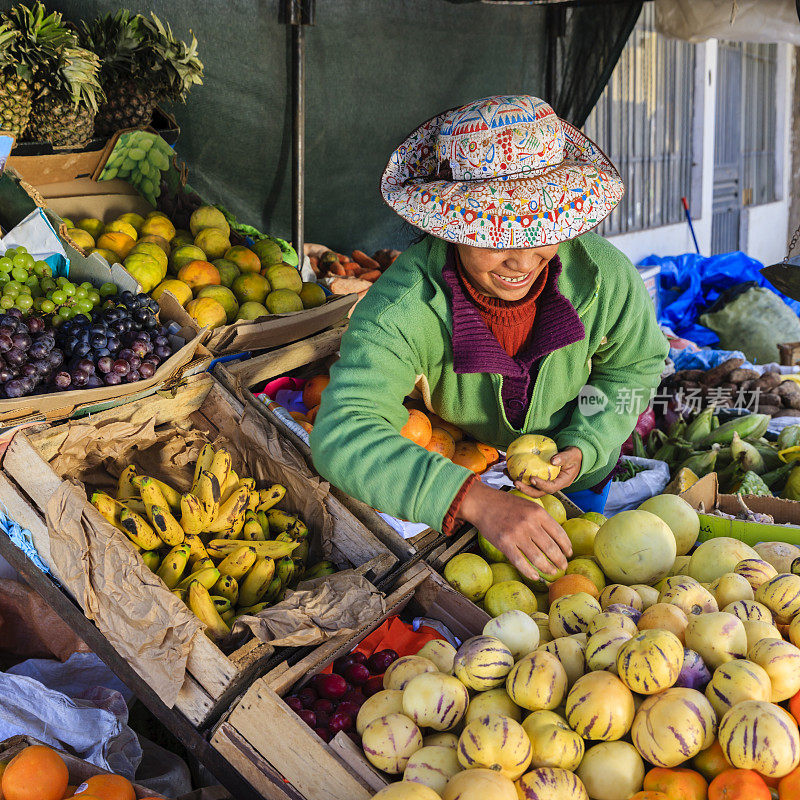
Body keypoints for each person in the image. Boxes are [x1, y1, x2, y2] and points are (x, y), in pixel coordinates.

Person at [310, 95, 668, 580]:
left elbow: (634, 368)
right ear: (451, 226)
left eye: (543, 228)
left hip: (576, 474)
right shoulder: (403, 306)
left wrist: (586, 441)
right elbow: (343, 431)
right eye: (494, 234)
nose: (521, 259)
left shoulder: (603, 276)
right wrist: (473, 499)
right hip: (455, 477)